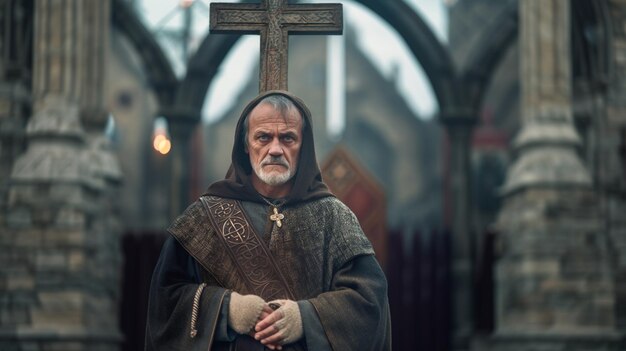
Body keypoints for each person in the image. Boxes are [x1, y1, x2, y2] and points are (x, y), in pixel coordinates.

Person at [144, 90, 391, 351]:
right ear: (245, 145)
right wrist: (227, 309)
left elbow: (369, 301)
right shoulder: (202, 219)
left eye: (288, 138)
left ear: (303, 147)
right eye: (263, 137)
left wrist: (306, 318)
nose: (275, 149)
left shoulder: (334, 217)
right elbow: (166, 302)